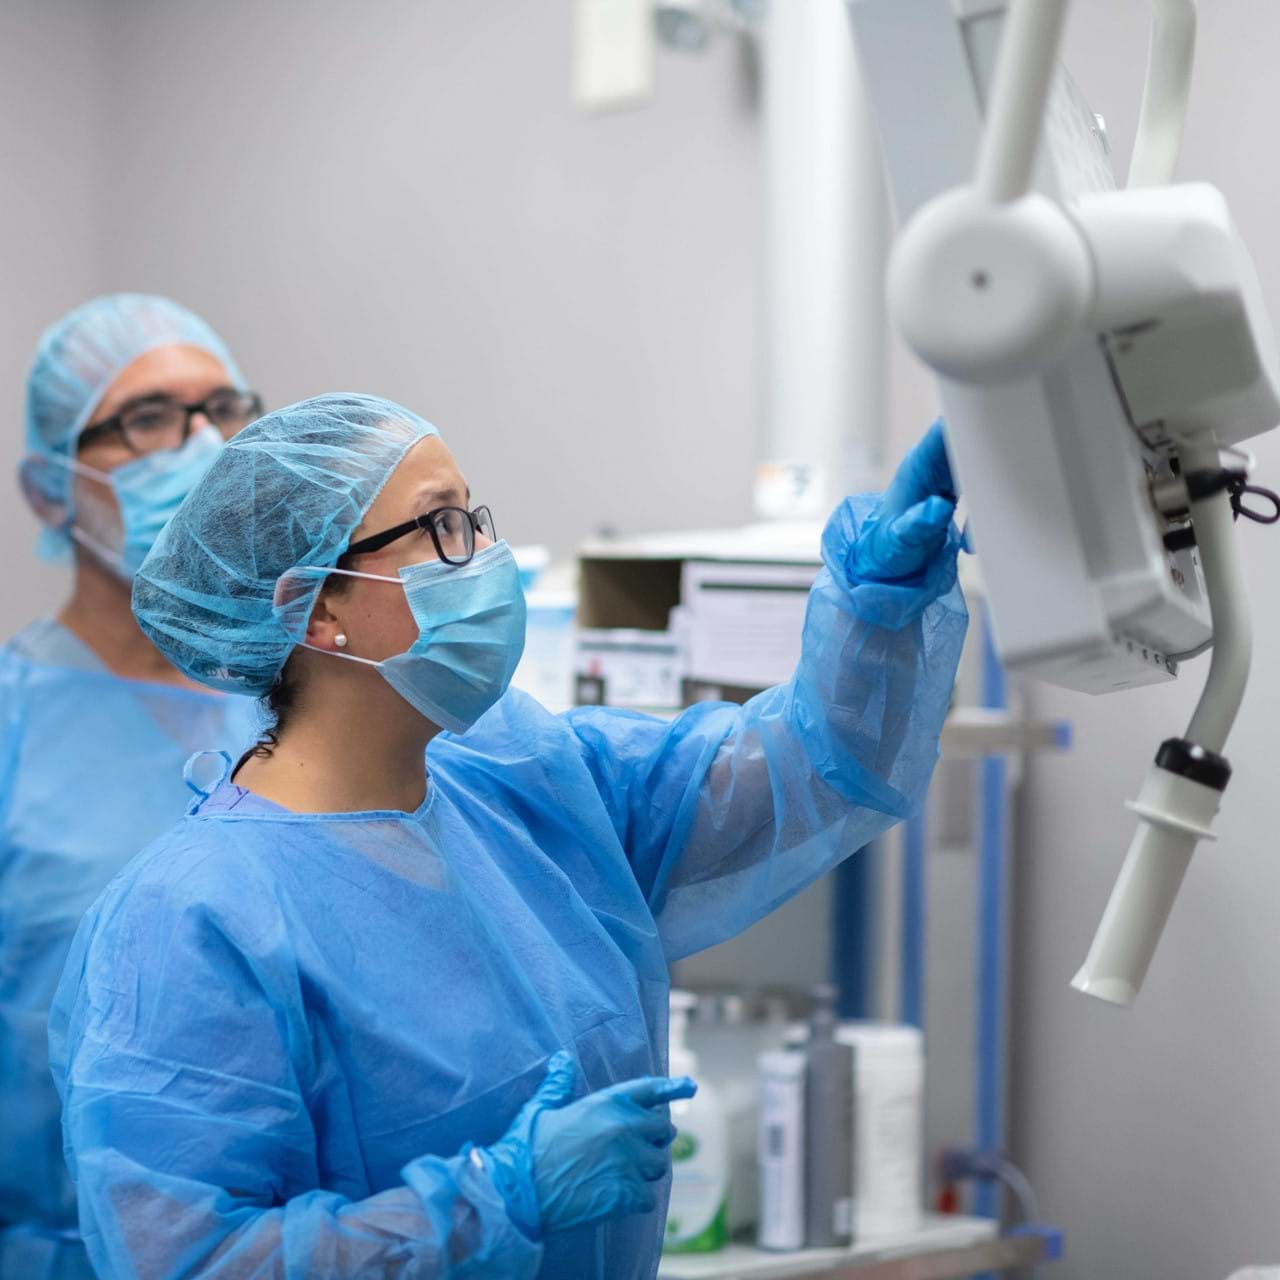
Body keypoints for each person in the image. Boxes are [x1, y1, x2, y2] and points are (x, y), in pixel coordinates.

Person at [50, 393, 968, 1279]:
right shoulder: (195, 920)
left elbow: (806, 767)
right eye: (443, 529)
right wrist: (497, 1198)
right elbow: (192, 1260)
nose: (482, 558)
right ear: (317, 609)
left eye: (477, 522)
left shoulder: (522, 782)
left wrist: (876, 604)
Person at [0, 295, 265, 1279]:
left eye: (222, 411)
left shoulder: (311, 700)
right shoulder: (15, 725)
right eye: (149, 419)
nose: (200, 447)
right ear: (49, 488)